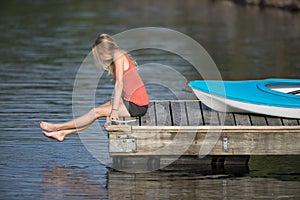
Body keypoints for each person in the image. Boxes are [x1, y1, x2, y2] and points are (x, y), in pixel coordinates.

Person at [40, 34, 149, 141]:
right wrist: (116, 103)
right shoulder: (119, 54)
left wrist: (115, 110)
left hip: (137, 105)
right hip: (131, 101)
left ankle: (57, 127)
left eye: (99, 54)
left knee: (95, 112)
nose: (100, 58)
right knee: (98, 111)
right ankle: (63, 133)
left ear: (104, 51)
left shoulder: (118, 56)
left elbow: (119, 83)